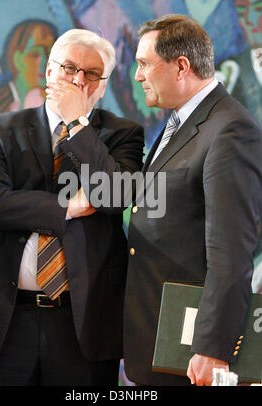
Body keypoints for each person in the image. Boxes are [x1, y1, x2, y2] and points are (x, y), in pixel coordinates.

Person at [0, 28, 144, 386]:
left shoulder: (123, 134)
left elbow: (115, 195)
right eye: (69, 68)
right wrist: (67, 208)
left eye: (91, 74)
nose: (78, 80)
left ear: (103, 85)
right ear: (48, 72)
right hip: (6, 319)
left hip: (82, 324)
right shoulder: (2, 129)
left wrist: (77, 124)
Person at [123, 14, 262, 386]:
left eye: (144, 64)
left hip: (189, 353)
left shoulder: (230, 129)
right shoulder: (181, 121)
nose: (138, 76)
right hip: (156, 338)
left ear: (181, 66)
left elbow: (231, 251)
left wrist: (213, 348)